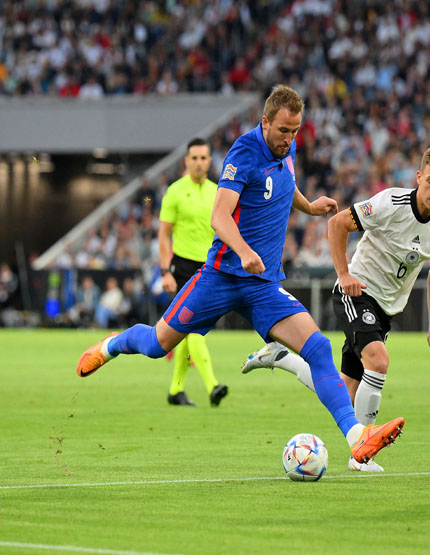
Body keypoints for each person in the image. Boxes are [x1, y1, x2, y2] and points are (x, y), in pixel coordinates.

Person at [76, 85, 404, 465]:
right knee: (156, 345)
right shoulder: (244, 152)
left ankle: (356, 437)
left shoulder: (287, 147)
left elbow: (283, 185)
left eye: (295, 131)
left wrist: (309, 207)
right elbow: (219, 216)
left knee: (318, 347)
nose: (289, 139)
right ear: (265, 122)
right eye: (283, 130)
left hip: (263, 285)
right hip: (220, 278)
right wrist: (245, 251)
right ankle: (111, 345)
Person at [243, 146, 430, 472]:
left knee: (343, 386)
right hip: (356, 292)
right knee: (378, 361)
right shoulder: (390, 203)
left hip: (386, 308)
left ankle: (281, 358)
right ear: (418, 178)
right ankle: (363, 455)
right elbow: (338, 224)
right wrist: (344, 275)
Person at [158, 137, 227, 407]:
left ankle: (176, 390)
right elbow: (164, 236)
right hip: (183, 267)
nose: (199, 163)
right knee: (194, 329)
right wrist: (165, 271)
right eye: (194, 158)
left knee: (188, 330)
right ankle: (212, 385)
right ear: (186, 161)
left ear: (210, 161)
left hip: (209, 268)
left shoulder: (217, 192)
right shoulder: (174, 192)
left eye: (203, 158)